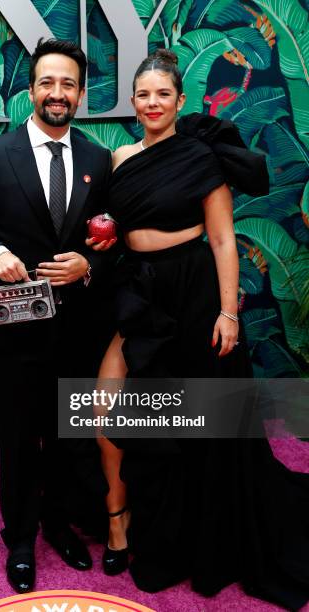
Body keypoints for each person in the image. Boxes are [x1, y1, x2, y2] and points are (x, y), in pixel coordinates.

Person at [90, 49, 309, 611]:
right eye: (143, 94)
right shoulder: (119, 157)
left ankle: (201, 539)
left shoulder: (200, 155)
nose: (152, 103)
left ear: (180, 101)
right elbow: (124, 224)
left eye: (163, 94)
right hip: (140, 291)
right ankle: (131, 519)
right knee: (111, 403)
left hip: (195, 290)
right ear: (132, 103)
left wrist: (228, 311)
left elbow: (221, 238)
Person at [0, 38, 116, 594]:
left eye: (68, 84)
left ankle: (60, 524)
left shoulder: (98, 158)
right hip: (18, 326)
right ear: (30, 89)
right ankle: (21, 538)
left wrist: (88, 264)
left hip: (79, 328)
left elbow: (110, 238)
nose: (57, 93)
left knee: (69, 434)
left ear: (81, 94)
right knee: (21, 435)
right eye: (48, 82)